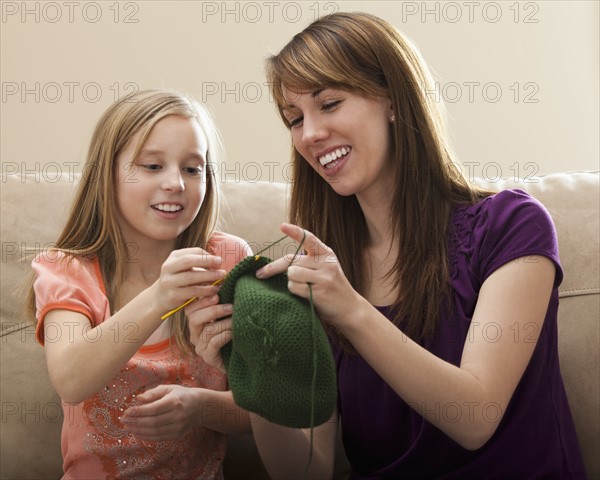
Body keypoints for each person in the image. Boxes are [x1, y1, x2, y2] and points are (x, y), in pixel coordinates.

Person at [190, 12, 587, 479]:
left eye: (330, 103)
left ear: (395, 99)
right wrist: (254, 372)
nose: (310, 134)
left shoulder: (511, 225)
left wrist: (351, 310)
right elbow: (306, 471)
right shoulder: (319, 270)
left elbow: (475, 417)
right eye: (295, 119)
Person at [26, 88, 252, 479]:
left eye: (192, 168)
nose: (175, 183)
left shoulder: (228, 261)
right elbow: (70, 380)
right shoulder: (65, 269)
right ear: (107, 173)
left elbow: (267, 408)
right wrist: (160, 297)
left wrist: (201, 407)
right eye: (151, 166)